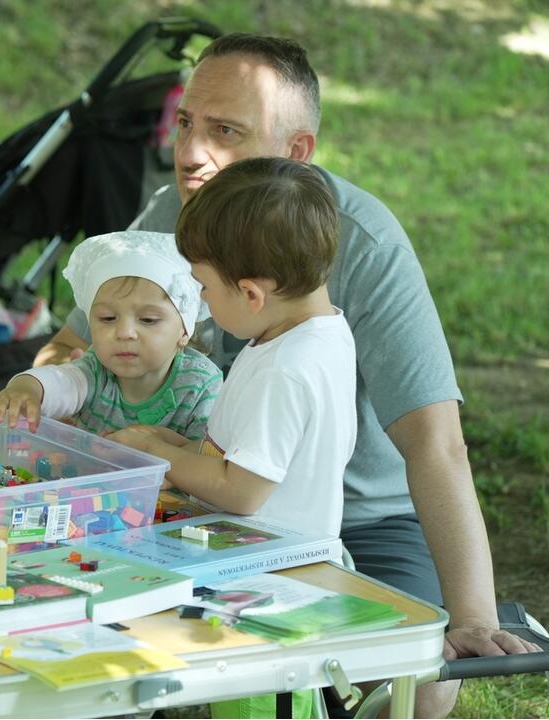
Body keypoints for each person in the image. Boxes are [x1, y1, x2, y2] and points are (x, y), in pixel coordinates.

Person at [33, 33, 541, 716]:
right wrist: (45, 399)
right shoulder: (169, 214)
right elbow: (71, 349)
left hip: (356, 518)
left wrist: (472, 614)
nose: (189, 153)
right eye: (184, 122)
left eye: (225, 131)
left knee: (422, 680)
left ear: (295, 152)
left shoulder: (361, 239)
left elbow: (435, 442)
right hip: (193, 496)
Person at [110, 157, 356, 539]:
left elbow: (240, 490)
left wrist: (156, 453)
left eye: (203, 287)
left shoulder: (285, 368)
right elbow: (260, 453)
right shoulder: (317, 332)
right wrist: (180, 447)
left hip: (267, 569)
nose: (201, 299)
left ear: (250, 294)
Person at [0, 230, 221, 440]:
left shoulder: (200, 386)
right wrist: (26, 389)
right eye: (108, 318)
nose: (125, 333)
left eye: (148, 320)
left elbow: (206, 458)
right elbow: (61, 381)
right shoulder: (97, 370)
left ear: (184, 331)